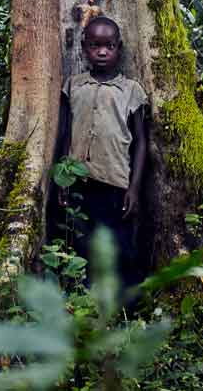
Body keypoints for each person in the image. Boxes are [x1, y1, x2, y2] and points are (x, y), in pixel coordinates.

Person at [53, 15, 148, 287]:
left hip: (115, 183)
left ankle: (126, 304)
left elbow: (141, 142)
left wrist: (134, 189)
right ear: (84, 47)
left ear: (119, 47)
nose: (102, 51)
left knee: (120, 246)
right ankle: (84, 301)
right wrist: (62, 178)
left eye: (109, 46)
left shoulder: (130, 90)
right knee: (82, 243)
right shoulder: (74, 85)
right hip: (79, 181)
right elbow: (65, 133)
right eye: (95, 45)